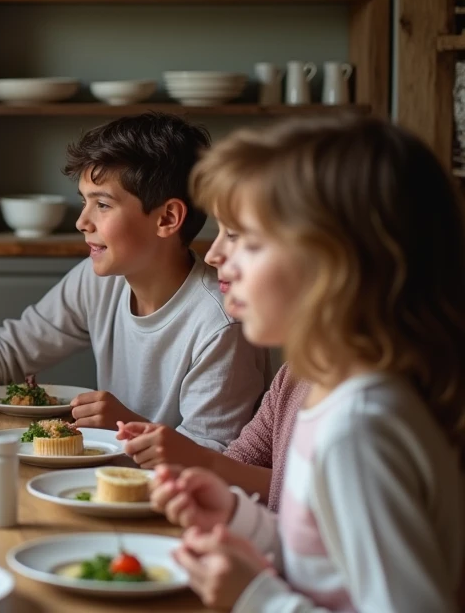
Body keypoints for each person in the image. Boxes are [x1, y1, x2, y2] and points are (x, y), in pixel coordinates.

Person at [150, 115, 464, 611]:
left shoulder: (359, 430)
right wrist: (238, 516)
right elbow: (328, 565)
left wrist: (257, 598)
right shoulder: (330, 395)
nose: (219, 259)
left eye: (250, 242)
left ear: (336, 267)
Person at [0, 112, 267, 450]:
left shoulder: (219, 323)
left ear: (168, 218)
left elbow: (219, 455)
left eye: (102, 205)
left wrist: (128, 424)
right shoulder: (99, 280)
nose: (82, 222)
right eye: (85, 202)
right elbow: (10, 352)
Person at [116, 200, 309, 511]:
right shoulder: (294, 375)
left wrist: (201, 462)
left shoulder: (361, 414)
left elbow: (309, 515)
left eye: (234, 235)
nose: (212, 254)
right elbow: (241, 464)